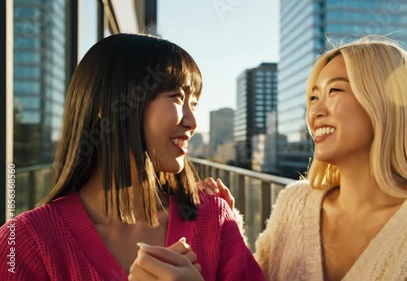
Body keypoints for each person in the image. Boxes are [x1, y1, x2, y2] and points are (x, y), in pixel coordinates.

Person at [210, 37, 407, 280]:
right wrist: (228, 235)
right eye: (313, 97)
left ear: (384, 103)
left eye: (334, 91)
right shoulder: (294, 202)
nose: (315, 111)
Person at [0, 34, 264, 281]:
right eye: (178, 97)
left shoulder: (214, 219)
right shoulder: (23, 243)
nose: (192, 121)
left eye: (193, 104)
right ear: (109, 105)